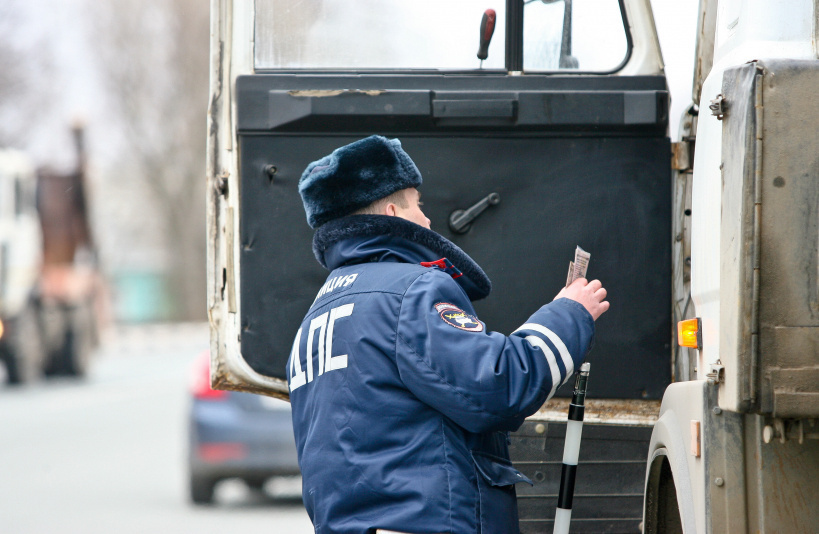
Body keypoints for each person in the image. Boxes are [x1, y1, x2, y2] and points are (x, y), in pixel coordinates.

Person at [286, 135, 609, 534]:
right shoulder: (412, 291)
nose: (427, 220)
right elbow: (500, 386)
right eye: (418, 204)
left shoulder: (314, 318)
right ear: (392, 212)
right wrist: (570, 313)